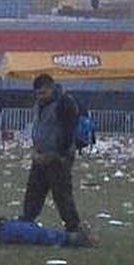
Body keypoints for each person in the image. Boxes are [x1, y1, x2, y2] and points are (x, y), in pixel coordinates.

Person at [20, 73, 82, 232]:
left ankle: (73, 226)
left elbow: (68, 132)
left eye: (43, 93)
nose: (40, 97)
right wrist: (36, 151)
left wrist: (58, 154)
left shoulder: (64, 103)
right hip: (41, 155)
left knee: (61, 194)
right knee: (34, 190)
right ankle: (27, 219)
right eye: (38, 94)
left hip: (58, 157)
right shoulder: (40, 104)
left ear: (51, 88)